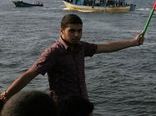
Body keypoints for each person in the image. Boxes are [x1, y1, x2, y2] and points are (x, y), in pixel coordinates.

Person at [0, 14, 144, 108]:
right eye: (72, 31)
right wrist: (7, 95)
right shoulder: (54, 51)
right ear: (62, 31)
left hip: (82, 104)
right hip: (63, 108)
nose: (77, 35)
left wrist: (133, 42)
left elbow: (106, 47)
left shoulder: (81, 47)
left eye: (79, 31)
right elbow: (30, 73)